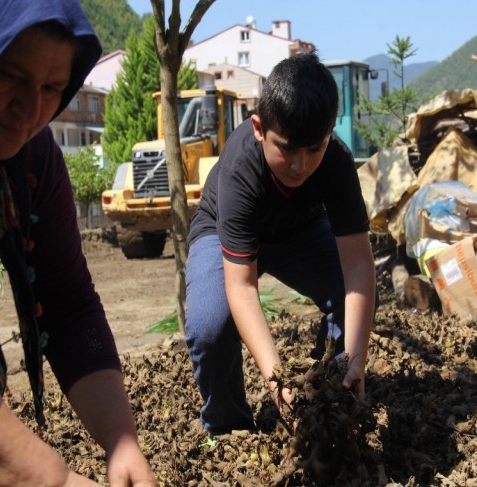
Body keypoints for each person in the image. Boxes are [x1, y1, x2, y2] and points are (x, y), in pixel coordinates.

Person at [0, 1, 157, 485]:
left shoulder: (33, 158)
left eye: (50, 89)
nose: (29, 110)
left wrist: (121, 441)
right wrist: (54, 478)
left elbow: (67, 307)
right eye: (9, 76)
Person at [185, 51, 378, 435]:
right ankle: (228, 426)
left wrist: (357, 358)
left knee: (350, 293)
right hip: (222, 230)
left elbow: (358, 266)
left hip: (299, 230)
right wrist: (277, 380)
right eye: (287, 148)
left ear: (329, 134)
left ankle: (333, 387)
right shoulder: (241, 169)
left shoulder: (337, 162)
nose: (300, 165)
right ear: (259, 128)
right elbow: (242, 286)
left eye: (314, 149)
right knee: (210, 324)